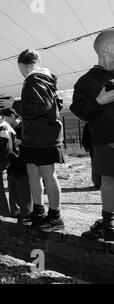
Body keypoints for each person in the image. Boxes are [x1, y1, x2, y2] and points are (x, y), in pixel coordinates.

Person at [0, 49, 65, 232]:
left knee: (46, 173)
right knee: (33, 172)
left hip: (42, 136)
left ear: (21, 65)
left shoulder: (34, 79)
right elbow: (53, 104)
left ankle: (55, 217)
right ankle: (39, 212)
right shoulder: (45, 79)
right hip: (36, 135)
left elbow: (42, 106)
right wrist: (18, 102)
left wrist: (15, 105)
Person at [70, 29, 114, 242]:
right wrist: (99, 101)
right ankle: (108, 224)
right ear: (106, 48)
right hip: (104, 141)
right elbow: (81, 112)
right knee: (108, 181)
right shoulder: (85, 82)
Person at [0, 108, 33, 222]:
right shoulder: (6, 128)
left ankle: (27, 214)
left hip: (23, 164)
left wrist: (16, 141)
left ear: (12, 116)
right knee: (13, 190)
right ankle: (15, 214)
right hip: (11, 165)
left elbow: (30, 141)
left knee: (24, 191)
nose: (3, 120)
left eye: (5, 118)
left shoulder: (24, 126)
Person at [81, 123, 101, 189]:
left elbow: (85, 137)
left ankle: (98, 183)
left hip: (95, 147)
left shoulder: (90, 123)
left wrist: (86, 146)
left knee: (96, 165)